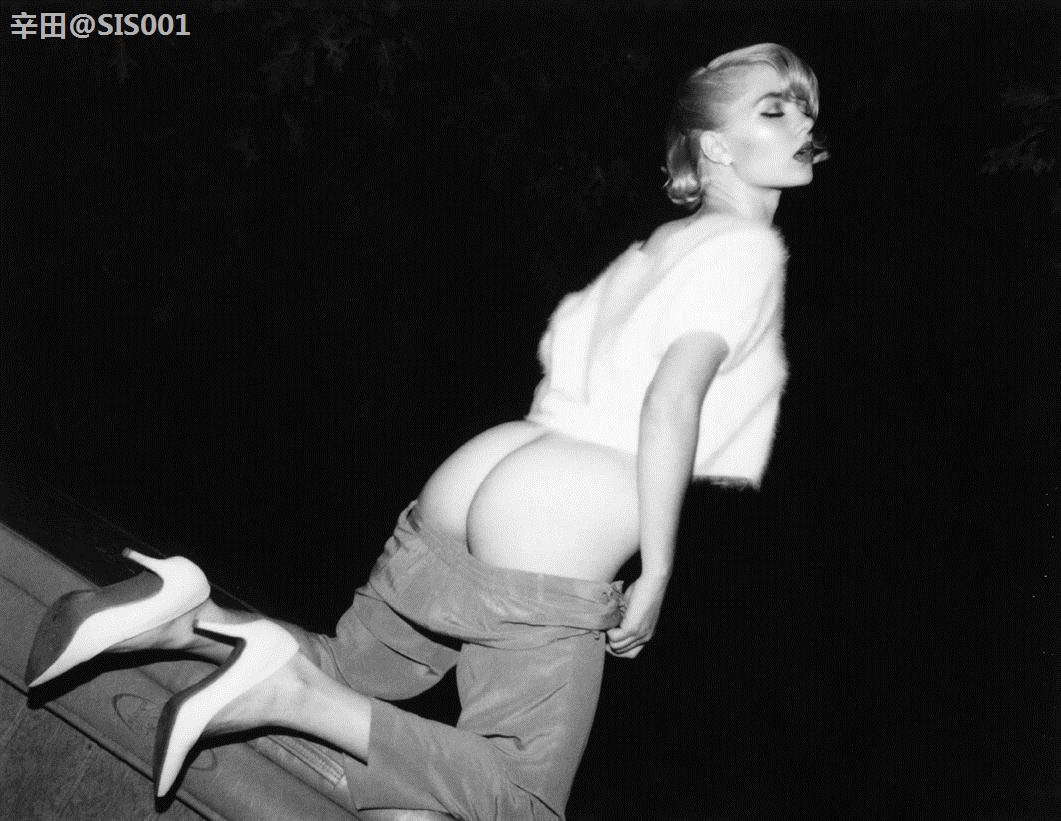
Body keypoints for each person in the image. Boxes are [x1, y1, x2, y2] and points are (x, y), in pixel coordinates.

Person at [25, 42, 826, 821]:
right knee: (517, 795)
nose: (803, 123)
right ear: (715, 145)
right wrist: (657, 568)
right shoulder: (744, 249)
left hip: (483, 470)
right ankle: (285, 693)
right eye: (775, 108)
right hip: (560, 514)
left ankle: (180, 615)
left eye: (805, 109)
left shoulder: (665, 243)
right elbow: (670, 401)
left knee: (351, 670)